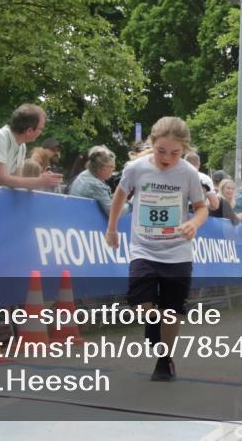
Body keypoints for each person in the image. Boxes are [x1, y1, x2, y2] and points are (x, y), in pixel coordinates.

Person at [105, 117, 207, 382]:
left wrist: (194, 223)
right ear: (152, 144)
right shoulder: (136, 168)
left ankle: (165, 361)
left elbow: (202, 207)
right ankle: (153, 321)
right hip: (145, 249)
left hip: (178, 252)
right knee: (142, 307)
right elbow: (119, 196)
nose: (167, 158)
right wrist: (112, 228)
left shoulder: (187, 173)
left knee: (171, 311)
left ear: (184, 149)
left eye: (175, 153)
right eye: (161, 151)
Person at [0, 104, 62, 190]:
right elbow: (0, 179)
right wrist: (40, 181)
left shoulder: (21, 145)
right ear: (29, 130)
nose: (42, 132)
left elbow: (17, 181)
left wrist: (44, 181)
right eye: (41, 129)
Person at [69, 145, 116, 218]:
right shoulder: (95, 184)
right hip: (81, 219)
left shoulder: (86, 174)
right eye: (112, 167)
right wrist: (131, 205)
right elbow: (112, 211)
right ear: (103, 168)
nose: (113, 170)